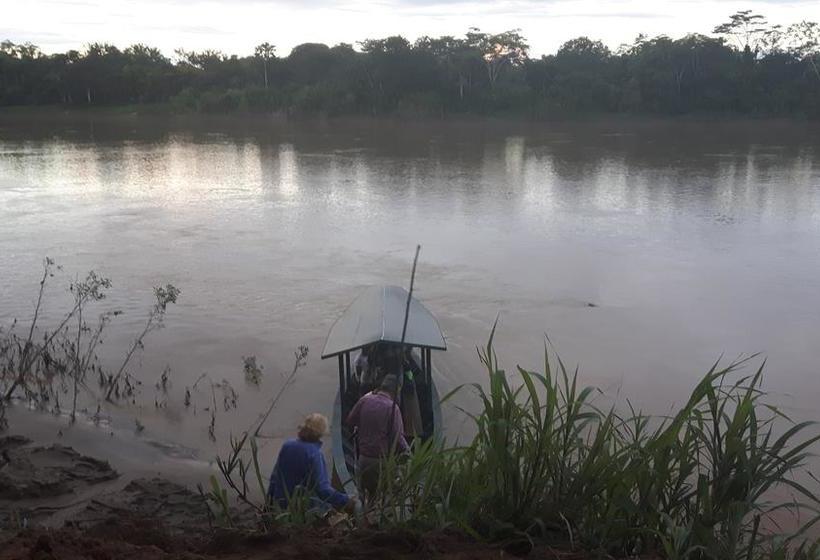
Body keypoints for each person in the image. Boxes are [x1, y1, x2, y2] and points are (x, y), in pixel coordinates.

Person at [268, 413, 351, 512]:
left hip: (281, 504)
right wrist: (346, 500)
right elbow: (323, 489)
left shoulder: (287, 445)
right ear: (320, 434)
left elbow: (275, 477)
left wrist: (269, 502)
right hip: (303, 509)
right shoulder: (315, 454)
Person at [346, 374, 409, 501]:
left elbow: (350, 421)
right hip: (381, 462)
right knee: (385, 497)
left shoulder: (364, 400)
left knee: (366, 497)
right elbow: (398, 439)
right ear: (395, 392)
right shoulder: (393, 408)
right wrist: (409, 452)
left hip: (363, 459)